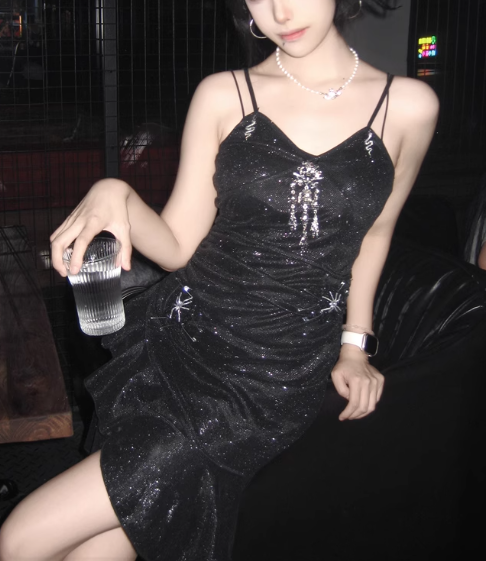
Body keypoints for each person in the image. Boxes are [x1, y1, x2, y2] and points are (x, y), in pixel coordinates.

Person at [0, 1, 439, 560]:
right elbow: (179, 246)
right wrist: (118, 194)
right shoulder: (223, 94)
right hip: (182, 339)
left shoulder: (408, 105)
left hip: (272, 376)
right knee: (101, 547)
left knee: (19, 537)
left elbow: (374, 236)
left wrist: (355, 346)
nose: (280, 11)